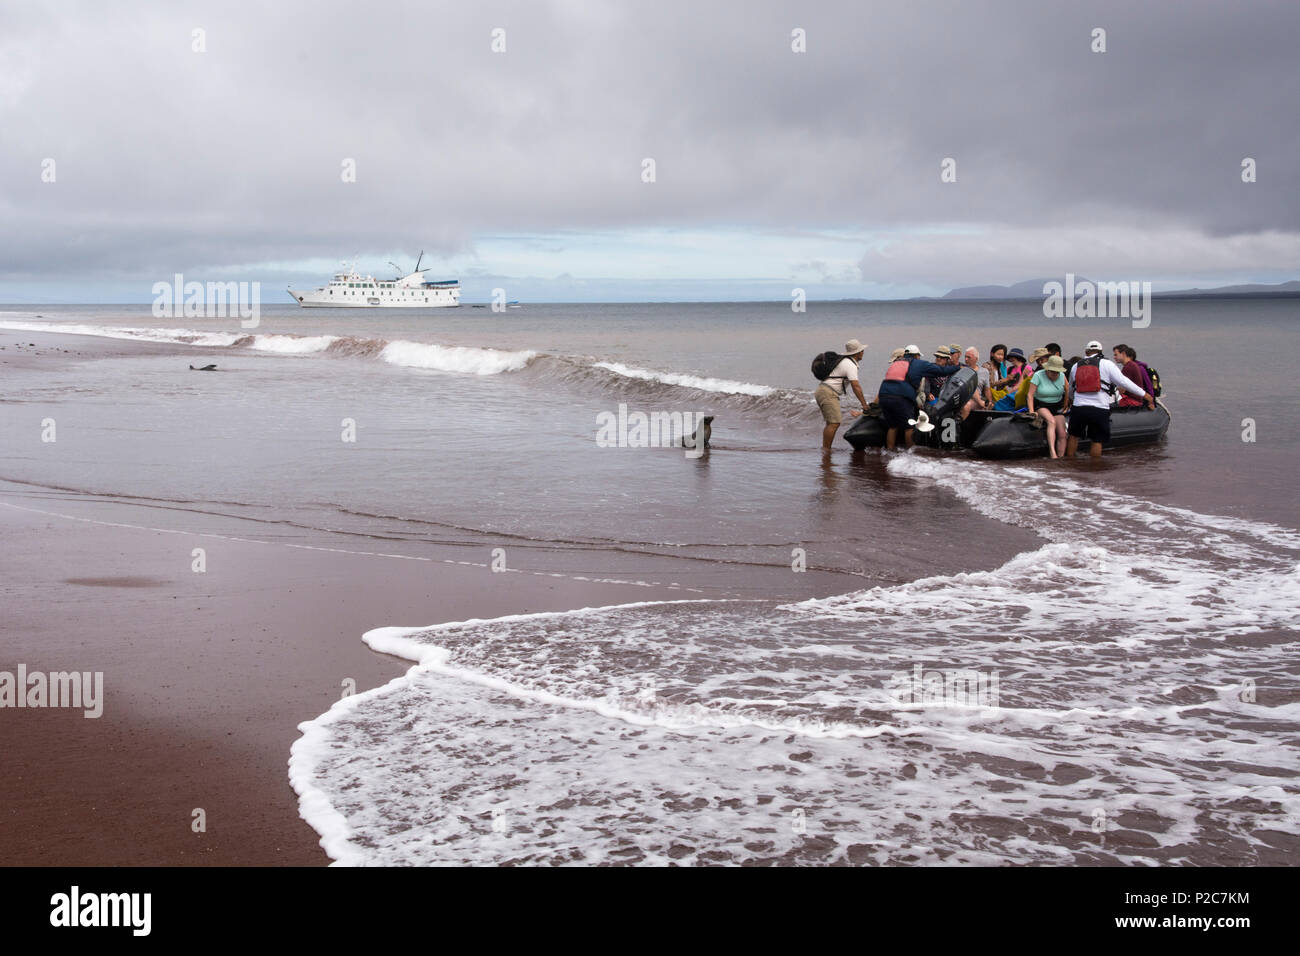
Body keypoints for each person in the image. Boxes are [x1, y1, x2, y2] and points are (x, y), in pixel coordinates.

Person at [1066, 340, 1155, 458]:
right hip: (1099, 408)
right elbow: (1124, 382)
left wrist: (1072, 401)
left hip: (1079, 407)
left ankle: (1070, 464)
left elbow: (1071, 389)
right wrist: (1145, 395)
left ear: (1086, 352)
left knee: (1073, 436)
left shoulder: (1076, 366)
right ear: (1100, 351)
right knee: (1097, 440)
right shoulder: (1107, 364)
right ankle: (1095, 468)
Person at [876, 344, 958, 450]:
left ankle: (889, 452)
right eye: (919, 356)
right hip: (901, 398)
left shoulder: (896, 363)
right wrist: (958, 367)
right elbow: (941, 371)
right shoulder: (919, 363)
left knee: (892, 427)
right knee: (909, 427)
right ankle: (911, 454)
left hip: (883, 396)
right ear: (916, 356)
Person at [816, 338, 868, 450]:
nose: (863, 353)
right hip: (828, 392)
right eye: (862, 351)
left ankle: (825, 449)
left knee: (831, 423)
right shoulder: (850, 365)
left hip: (823, 390)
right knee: (834, 423)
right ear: (858, 353)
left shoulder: (844, 361)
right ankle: (826, 450)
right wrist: (864, 405)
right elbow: (856, 386)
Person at [1026, 354, 1071, 458]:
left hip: (1056, 405)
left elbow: (1068, 390)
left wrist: (1066, 404)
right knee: (1051, 421)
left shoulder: (1062, 376)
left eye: (1057, 372)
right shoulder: (1038, 375)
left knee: (1062, 433)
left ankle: (1060, 456)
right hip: (1041, 404)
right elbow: (1030, 395)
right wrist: (1032, 411)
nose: (1055, 374)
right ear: (1047, 369)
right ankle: (1052, 453)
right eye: (1053, 371)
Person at [960, 347, 990, 419]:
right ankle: (959, 425)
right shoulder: (962, 370)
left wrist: (989, 401)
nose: (966, 359)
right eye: (965, 357)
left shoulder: (984, 372)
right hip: (965, 398)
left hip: (978, 400)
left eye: (968, 357)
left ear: (976, 359)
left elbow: (987, 390)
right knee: (967, 405)